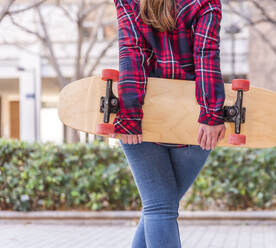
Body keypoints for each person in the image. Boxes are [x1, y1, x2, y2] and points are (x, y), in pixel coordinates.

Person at [111, 0, 225, 247]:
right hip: (194, 124)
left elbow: (132, 53)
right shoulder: (204, 2)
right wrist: (211, 113)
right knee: (159, 207)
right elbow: (206, 53)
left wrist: (130, 116)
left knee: (158, 207)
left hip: (141, 122)